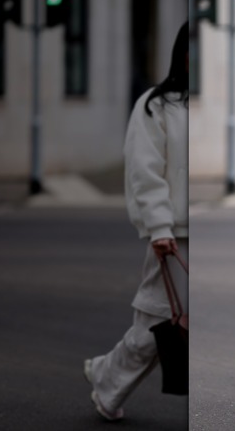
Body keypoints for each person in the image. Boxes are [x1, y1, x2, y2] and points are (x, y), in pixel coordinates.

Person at [83, 22, 189, 421]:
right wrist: (159, 227)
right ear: (181, 52)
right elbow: (146, 172)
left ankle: (105, 375)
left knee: (164, 323)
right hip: (173, 235)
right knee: (161, 323)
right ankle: (107, 384)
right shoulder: (156, 105)